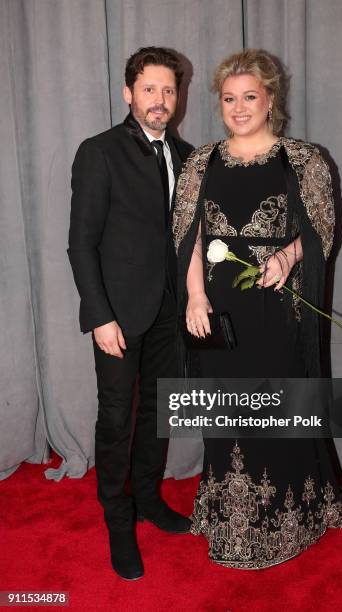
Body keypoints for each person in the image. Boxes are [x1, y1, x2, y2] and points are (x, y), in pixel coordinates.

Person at [172, 49, 342, 569]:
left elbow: (319, 232)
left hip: (277, 308)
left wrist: (287, 255)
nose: (238, 107)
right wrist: (195, 296)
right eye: (229, 98)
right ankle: (227, 518)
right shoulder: (199, 163)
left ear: (270, 99)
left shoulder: (302, 160)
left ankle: (291, 516)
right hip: (217, 310)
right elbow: (189, 237)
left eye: (249, 97)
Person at [68, 47, 194, 580]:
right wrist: (99, 316)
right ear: (128, 93)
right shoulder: (99, 152)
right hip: (117, 312)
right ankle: (118, 519)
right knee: (117, 417)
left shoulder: (188, 156)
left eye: (169, 91)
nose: (160, 101)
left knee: (159, 413)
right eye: (150, 90)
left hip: (172, 309)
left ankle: (146, 498)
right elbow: (80, 244)